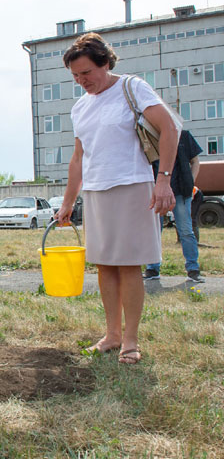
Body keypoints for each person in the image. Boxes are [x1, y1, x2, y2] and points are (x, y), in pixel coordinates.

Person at [54, 33, 178, 365]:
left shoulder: (132, 88)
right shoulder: (79, 107)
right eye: (75, 76)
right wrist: (68, 202)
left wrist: (163, 180)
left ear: (105, 63)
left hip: (132, 185)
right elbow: (79, 158)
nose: (82, 82)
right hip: (96, 191)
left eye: (86, 73)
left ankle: (132, 341)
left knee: (128, 264)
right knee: (104, 264)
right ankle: (111, 335)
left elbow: (169, 128)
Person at [143, 130, 204, 283]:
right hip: (157, 193)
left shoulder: (183, 136)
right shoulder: (150, 137)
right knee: (154, 231)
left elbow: (195, 161)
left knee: (185, 231)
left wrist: (190, 183)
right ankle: (152, 268)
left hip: (181, 192)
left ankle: (193, 269)